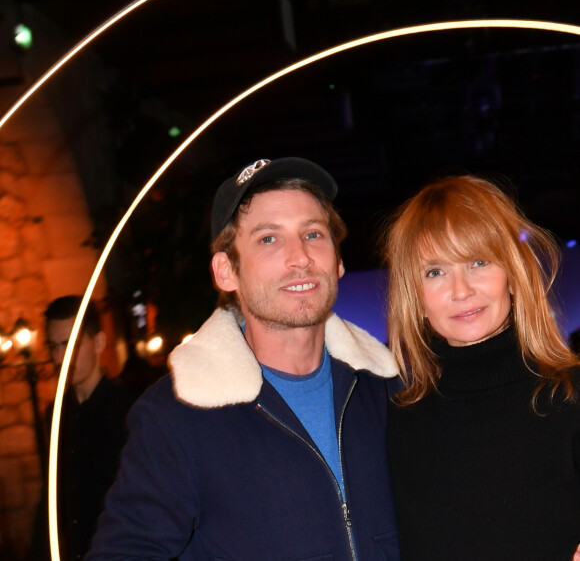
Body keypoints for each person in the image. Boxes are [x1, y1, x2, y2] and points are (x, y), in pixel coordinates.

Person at [87, 157, 400, 560]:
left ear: (338, 260)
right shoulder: (177, 417)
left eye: (314, 234)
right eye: (269, 239)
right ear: (225, 272)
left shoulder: (390, 388)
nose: (300, 257)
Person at [381, 174, 580, 561]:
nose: (461, 290)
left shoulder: (571, 394)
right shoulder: (392, 414)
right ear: (414, 296)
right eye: (435, 271)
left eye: (478, 262)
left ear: (511, 274)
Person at [39, 296, 136, 561]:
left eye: (69, 345)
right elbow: (55, 494)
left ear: (99, 342)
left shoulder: (128, 410)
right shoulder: (56, 413)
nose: (60, 358)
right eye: (54, 346)